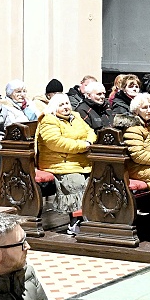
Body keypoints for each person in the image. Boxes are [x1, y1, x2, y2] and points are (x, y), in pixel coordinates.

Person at [36, 93, 94, 223]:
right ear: (54, 107)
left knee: (97, 180)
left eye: (67, 103)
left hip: (80, 160)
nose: (66, 107)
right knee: (76, 183)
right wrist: (82, 146)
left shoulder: (76, 117)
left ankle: (93, 220)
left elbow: (90, 132)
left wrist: (89, 142)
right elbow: (55, 142)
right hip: (59, 162)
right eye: (61, 105)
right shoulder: (49, 120)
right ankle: (75, 223)